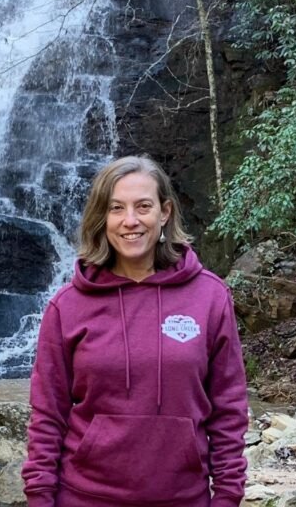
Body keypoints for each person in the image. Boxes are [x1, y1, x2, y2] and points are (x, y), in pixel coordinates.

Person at [22, 155, 248, 507]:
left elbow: (229, 409)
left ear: (165, 212)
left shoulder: (210, 296)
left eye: (143, 206)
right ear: (102, 218)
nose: (130, 221)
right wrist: (39, 498)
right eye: (116, 208)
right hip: (84, 498)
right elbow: (48, 415)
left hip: (184, 499)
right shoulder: (66, 306)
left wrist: (228, 497)